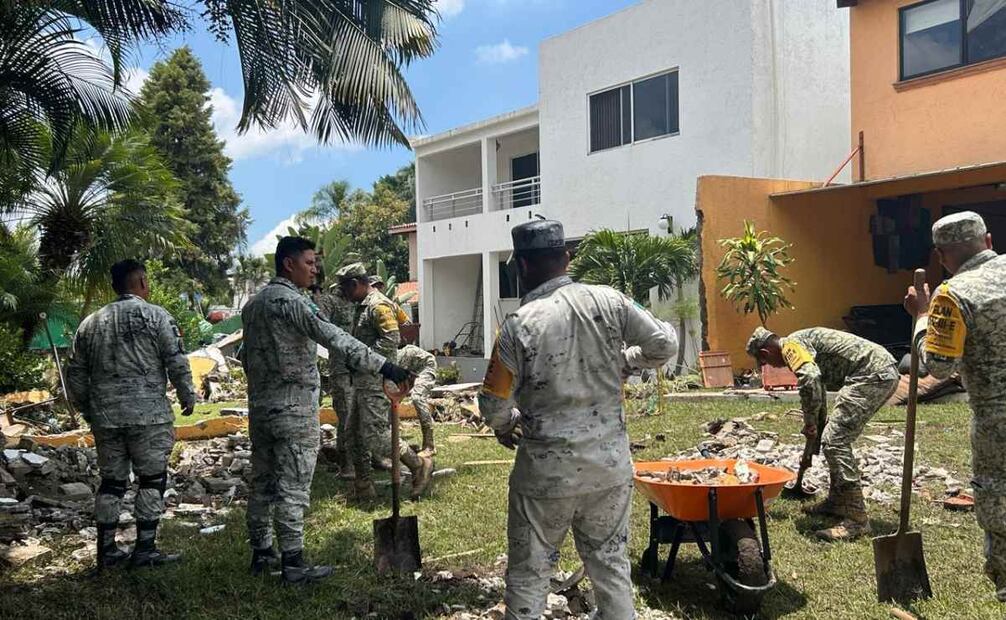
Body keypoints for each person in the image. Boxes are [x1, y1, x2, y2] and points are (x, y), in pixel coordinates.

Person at [478, 219, 676, 619]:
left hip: (545, 478)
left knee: (529, 575)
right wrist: (624, 361)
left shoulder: (517, 325)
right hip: (609, 469)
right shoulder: (611, 301)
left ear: (522, 266)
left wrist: (508, 423)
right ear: (567, 259)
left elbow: (493, 406)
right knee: (611, 567)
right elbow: (664, 344)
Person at [240, 237, 410, 584]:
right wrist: (386, 367)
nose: (315, 269)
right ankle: (293, 563)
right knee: (293, 486)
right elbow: (334, 337)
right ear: (288, 264)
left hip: (261, 408)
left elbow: (245, 356)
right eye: (308, 262)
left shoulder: (253, 305)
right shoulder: (294, 303)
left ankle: (261, 553)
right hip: (293, 410)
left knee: (262, 482)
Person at [65, 259, 197, 569]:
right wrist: (187, 395)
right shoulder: (157, 316)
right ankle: (145, 549)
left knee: (111, 482)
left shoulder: (90, 323)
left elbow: (75, 374)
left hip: (106, 417)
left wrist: (88, 409)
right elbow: (176, 360)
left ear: (115, 286)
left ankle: (107, 551)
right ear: (142, 282)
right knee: (152, 480)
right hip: (148, 417)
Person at [904, 210, 1006, 601]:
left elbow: (939, 366)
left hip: (998, 423)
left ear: (941, 256)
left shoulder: (953, 295)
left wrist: (923, 315)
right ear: (989, 241)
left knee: (999, 506)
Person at [747, 326, 898, 541]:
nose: (770, 366)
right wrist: (816, 425)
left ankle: (857, 519)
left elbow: (809, 379)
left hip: (872, 375)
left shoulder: (790, 346)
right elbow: (819, 386)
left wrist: (809, 421)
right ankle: (837, 502)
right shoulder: (799, 343)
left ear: (765, 353)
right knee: (831, 437)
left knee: (835, 442)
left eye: (765, 362)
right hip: (875, 372)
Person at [337, 262, 433, 501]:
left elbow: (391, 339)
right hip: (363, 380)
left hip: (377, 380)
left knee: (375, 434)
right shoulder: (362, 306)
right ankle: (363, 486)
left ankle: (418, 464)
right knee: (353, 434)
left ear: (355, 284)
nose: (344, 295)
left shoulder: (378, 305)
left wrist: (362, 360)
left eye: (345, 289)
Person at [313, 258, 361, 478]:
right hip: (341, 368)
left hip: (359, 368)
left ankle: (365, 459)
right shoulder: (329, 301)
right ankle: (346, 464)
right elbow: (319, 328)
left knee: (360, 415)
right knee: (346, 415)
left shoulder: (358, 303)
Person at [397, 343, 438, 455]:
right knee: (393, 402)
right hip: (410, 370)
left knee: (417, 398)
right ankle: (396, 443)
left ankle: (429, 446)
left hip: (426, 367)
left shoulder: (399, 357)